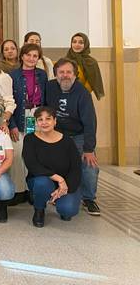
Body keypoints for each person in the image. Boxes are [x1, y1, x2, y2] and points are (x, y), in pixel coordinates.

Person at [46, 58, 100, 216]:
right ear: (55, 74)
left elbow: (90, 122)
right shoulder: (49, 87)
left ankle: (89, 198)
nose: (65, 75)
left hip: (78, 135)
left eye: (68, 72)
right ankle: (56, 192)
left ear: (75, 75)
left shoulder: (82, 93)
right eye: (61, 72)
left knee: (90, 165)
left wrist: (89, 149)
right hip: (55, 134)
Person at [22, 107, 82, 227]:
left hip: (65, 182)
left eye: (48, 119)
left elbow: (76, 168)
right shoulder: (30, 139)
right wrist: (59, 179)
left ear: (55, 121)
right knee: (42, 183)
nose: (44, 122)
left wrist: (65, 186)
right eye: (40, 119)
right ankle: (39, 209)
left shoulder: (67, 141)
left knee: (68, 210)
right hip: (42, 179)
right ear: (36, 122)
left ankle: (61, 199)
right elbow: (32, 165)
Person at [8, 43, 47, 203]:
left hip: (36, 117)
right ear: (22, 56)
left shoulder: (42, 75)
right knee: (17, 153)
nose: (31, 59)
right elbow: (7, 102)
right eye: (28, 55)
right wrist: (12, 125)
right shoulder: (12, 75)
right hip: (18, 116)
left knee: (33, 153)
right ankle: (18, 191)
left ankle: (32, 189)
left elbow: (46, 98)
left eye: (35, 56)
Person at [66, 33, 105, 100]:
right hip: (66, 96)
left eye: (81, 42)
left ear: (86, 45)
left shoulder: (91, 62)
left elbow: (91, 82)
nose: (77, 45)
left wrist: (80, 95)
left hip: (83, 97)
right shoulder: (65, 61)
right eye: (74, 42)